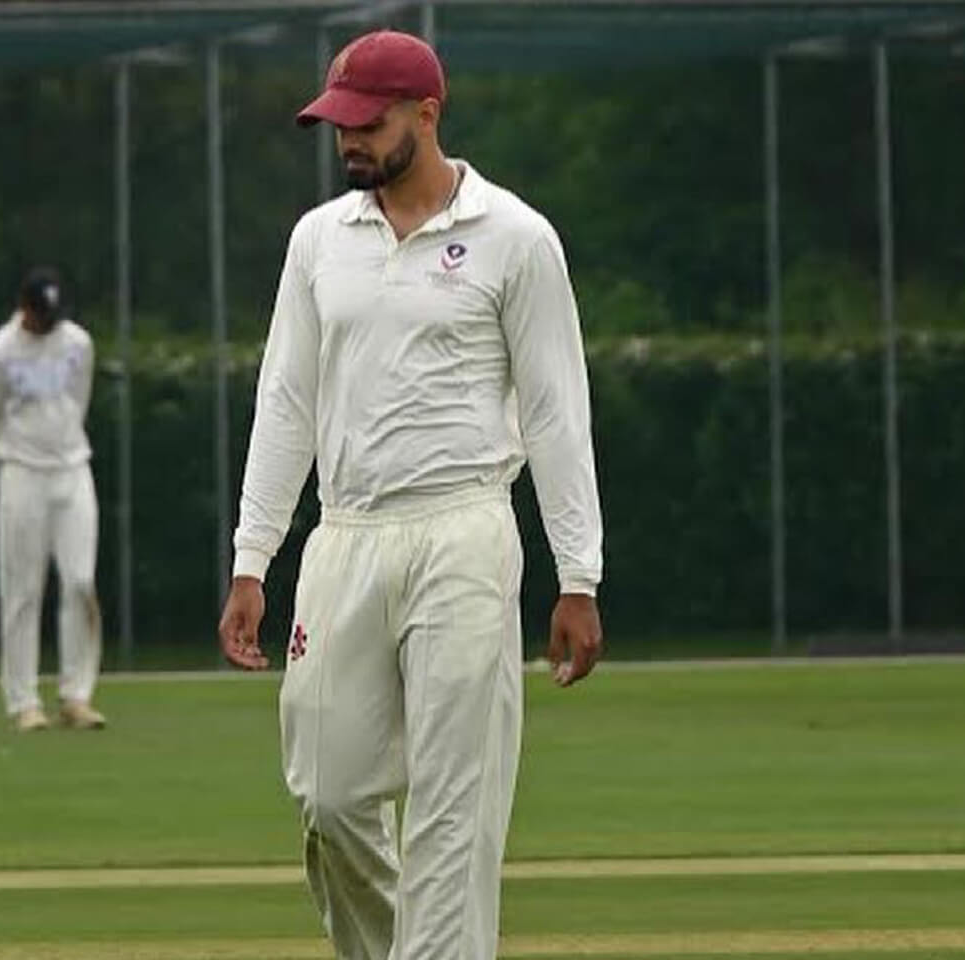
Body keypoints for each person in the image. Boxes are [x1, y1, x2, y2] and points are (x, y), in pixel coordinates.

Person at [216, 30, 605, 960]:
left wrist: (578, 575)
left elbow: (556, 412)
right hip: (343, 538)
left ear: (427, 115)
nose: (347, 141)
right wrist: (250, 559)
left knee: (452, 809)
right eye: (338, 124)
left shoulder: (515, 238)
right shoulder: (319, 240)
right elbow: (286, 402)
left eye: (367, 122)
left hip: (463, 533)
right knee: (333, 799)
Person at [0, 266, 106, 732]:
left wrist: (64, 445)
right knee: (23, 589)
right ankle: (23, 701)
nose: (49, 326)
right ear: (24, 309)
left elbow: (77, 401)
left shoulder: (77, 343)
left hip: (72, 468)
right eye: (42, 317)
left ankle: (77, 695)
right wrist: (6, 474)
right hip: (21, 474)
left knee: (81, 580)